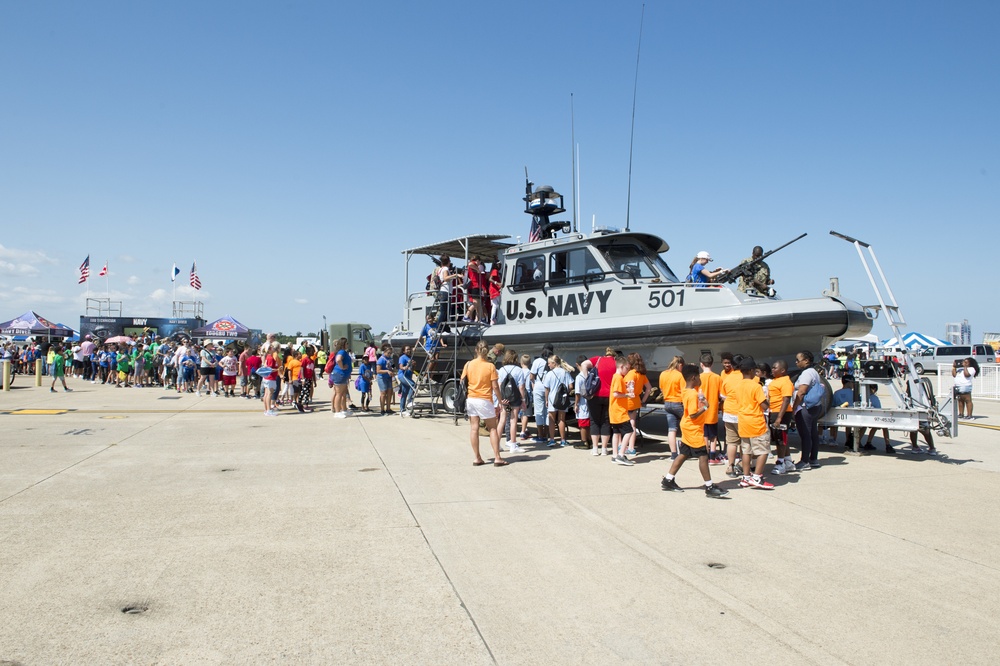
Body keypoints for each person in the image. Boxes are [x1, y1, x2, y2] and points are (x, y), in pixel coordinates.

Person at [660, 364, 729, 497]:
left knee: (684, 454)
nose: (700, 378)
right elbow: (692, 414)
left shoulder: (687, 390)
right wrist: (705, 407)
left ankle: (668, 479)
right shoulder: (692, 394)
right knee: (703, 456)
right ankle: (709, 487)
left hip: (688, 427)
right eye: (698, 376)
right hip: (693, 429)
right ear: (693, 377)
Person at [462, 341, 506, 467]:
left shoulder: (468, 364)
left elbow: (463, 381)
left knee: (474, 428)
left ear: (476, 350)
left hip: (471, 399)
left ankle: (477, 458)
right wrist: (500, 400)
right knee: (492, 428)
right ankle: (497, 457)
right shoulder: (490, 366)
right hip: (485, 399)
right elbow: (495, 386)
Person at [736, 357, 774, 489]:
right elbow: (764, 405)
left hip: (743, 421)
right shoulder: (756, 386)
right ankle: (757, 477)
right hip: (756, 422)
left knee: (746, 451)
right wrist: (768, 402)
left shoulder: (738, 386)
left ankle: (746, 477)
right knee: (763, 450)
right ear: (752, 371)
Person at [791, 350, 824, 470]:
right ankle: (813, 459)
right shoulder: (814, 372)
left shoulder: (806, 374)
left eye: (798, 360)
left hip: (805, 407)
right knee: (813, 433)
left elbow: (802, 391)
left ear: (806, 361)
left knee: (805, 434)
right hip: (815, 407)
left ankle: (804, 461)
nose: (796, 362)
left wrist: (794, 407)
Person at [587, 347, 617, 456]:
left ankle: (595, 448)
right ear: (614, 355)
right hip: (610, 396)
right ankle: (604, 448)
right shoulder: (616, 362)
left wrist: (586, 377)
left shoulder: (597, 359)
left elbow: (584, 364)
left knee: (594, 421)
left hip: (595, 395)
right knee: (606, 422)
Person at [768, 359, 796, 474]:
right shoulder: (775, 380)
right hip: (773, 411)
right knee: (781, 438)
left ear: (783, 370)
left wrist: (779, 417)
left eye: (775, 368)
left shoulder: (785, 382)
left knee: (780, 439)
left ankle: (780, 463)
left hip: (781, 412)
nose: (772, 370)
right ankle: (788, 461)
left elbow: (786, 399)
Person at [719, 352, 744, 478]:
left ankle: (730, 466)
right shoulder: (747, 378)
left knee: (732, 442)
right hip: (742, 413)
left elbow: (723, 396)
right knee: (745, 442)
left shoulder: (727, 378)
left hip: (728, 412)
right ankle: (743, 465)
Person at [497, 350, 526, 452]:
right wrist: (523, 400)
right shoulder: (519, 370)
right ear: (515, 358)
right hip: (515, 399)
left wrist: (500, 399)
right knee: (513, 421)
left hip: (504, 399)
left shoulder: (501, 370)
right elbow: (521, 387)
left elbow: (499, 385)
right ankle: (513, 445)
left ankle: (497, 445)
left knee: (502, 420)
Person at [624, 352, 651, 456]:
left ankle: (625, 445)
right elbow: (648, 388)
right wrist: (643, 400)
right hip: (636, 401)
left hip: (627, 401)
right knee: (633, 424)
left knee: (625, 425)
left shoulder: (630, 374)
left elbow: (627, 388)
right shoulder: (641, 374)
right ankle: (631, 447)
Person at [609, 356, 634, 466]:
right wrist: (628, 394)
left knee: (616, 432)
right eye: (627, 368)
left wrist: (626, 388)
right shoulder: (619, 378)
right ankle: (621, 454)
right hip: (620, 411)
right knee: (629, 431)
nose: (627, 371)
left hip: (614, 410)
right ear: (621, 366)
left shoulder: (616, 377)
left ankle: (615, 455)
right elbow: (616, 394)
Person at [542, 354, 573, 447]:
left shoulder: (549, 374)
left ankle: (552, 439)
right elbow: (571, 386)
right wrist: (565, 393)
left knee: (551, 419)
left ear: (554, 363)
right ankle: (563, 440)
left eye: (549, 363)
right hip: (562, 399)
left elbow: (547, 388)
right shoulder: (565, 372)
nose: (548, 365)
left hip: (552, 398)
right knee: (561, 419)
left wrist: (546, 399)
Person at [658, 356, 685, 459]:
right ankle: (684, 449)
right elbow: (684, 390)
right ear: (680, 365)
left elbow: (661, 388)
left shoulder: (663, 374)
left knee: (672, 429)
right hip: (678, 403)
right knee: (686, 426)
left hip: (667, 403)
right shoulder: (679, 375)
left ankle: (673, 454)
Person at [699, 355, 724, 464]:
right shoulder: (717, 377)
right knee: (713, 435)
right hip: (713, 409)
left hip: (701, 409)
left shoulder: (698, 377)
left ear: (701, 364)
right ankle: (712, 457)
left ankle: (705, 453)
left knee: (704, 434)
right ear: (712, 364)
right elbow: (722, 394)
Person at [529, 344, 553, 444]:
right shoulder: (553, 360)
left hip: (539, 387)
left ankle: (540, 435)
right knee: (548, 411)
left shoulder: (537, 361)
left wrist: (534, 384)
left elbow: (531, 376)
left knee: (538, 411)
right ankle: (547, 434)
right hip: (550, 387)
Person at [861, 384, 892, 453]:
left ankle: (858, 441)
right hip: (873, 417)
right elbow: (879, 409)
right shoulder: (874, 398)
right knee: (884, 427)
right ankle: (888, 445)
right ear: (874, 389)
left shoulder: (862, 397)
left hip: (864, 417)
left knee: (864, 427)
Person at [329, 337, 353, 418]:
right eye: (346, 343)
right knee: (339, 394)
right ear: (343, 344)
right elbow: (338, 359)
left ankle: (344, 409)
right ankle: (337, 411)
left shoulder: (343, 352)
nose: (347, 345)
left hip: (343, 375)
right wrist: (342, 367)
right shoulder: (342, 352)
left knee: (343, 394)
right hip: (340, 374)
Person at [575, 357, 593, 452]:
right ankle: (590, 440)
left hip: (582, 402)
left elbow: (578, 393)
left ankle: (584, 441)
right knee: (589, 423)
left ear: (578, 365)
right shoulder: (590, 375)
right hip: (590, 401)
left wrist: (576, 404)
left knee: (582, 423)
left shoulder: (579, 377)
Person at [376, 345, 395, 415]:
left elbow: (393, 366)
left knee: (390, 392)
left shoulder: (390, 359)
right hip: (382, 378)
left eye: (390, 353)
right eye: (388, 353)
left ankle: (388, 408)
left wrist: (394, 371)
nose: (389, 354)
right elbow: (378, 370)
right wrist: (387, 371)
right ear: (384, 352)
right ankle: (382, 409)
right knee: (383, 393)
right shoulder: (381, 359)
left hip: (389, 377)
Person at [397, 345, 415, 416]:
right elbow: (400, 366)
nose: (408, 350)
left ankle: (402, 409)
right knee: (413, 385)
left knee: (404, 392)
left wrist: (413, 365)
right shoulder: (402, 357)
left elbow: (412, 369)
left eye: (409, 349)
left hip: (408, 376)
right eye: (407, 349)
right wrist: (405, 367)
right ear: (404, 351)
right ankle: (409, 401)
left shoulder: (410, 357)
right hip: (402, 376)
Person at [487, 257, 502, 325]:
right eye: (499, 264)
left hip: (494, 289)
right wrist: (497, 283)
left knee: (495, 305)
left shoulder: (495, 271)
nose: (500, 266)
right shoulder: (495, 271)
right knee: (496, 305)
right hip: (494, 289)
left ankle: (493, 318)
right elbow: (490, 279)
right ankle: (493, 318)